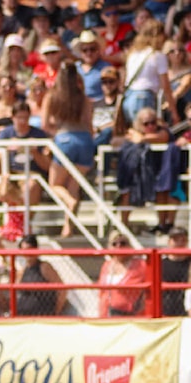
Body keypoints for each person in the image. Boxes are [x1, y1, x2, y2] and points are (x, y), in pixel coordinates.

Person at [41, 63, 95, 237]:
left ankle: (69, 204)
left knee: (55, 185)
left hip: (65, 139)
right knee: (73, 185)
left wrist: (58, 129)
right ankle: (68, 228)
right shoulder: (84, 98)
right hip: (85, 141)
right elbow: (89, 124)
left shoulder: (52, 97)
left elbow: (45, 124)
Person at [116, 107, 181, 231]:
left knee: (165, 191)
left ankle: (164, 225)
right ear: (139, 124)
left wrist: (141, 138)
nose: (150, 126)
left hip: (164, 170)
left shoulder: (163, 132)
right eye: (146, 123)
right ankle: (123, 227)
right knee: (127, 191)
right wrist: (133, 136)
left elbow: (163, 137)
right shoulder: (132, 133)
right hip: (141, 172)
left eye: (153, 122)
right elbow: (116, 141)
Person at [122, 20, 178, 129]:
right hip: (144, 97)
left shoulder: (133, 54)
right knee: (145, 136)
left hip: (129, 98)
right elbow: (166, 86)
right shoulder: (157, 55)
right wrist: (174, 112)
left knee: (137, 134)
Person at [98, 232, 148, 317]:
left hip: (130, 315)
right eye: (114, 244)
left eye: (123, 243)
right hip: (107, 314)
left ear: (129, 246)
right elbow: (101, 291)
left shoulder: (140, 265)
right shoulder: (106, 265)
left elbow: (148, 291)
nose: (119, 246)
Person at [14, 234, 66, 316]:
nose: (28, 254)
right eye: (24, 250)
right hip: (23, 314)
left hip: (42, 314)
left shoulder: (44, 267)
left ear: (36, 249)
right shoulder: (22, 271)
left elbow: (62, 290)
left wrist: (56, 312)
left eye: (30, 249)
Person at [160, 226, 190, 316]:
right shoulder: (161, 264)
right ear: (169, 242)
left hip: (188, 311)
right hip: (166, 311)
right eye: (176, 240)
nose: (180, 243)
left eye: (183, 240)